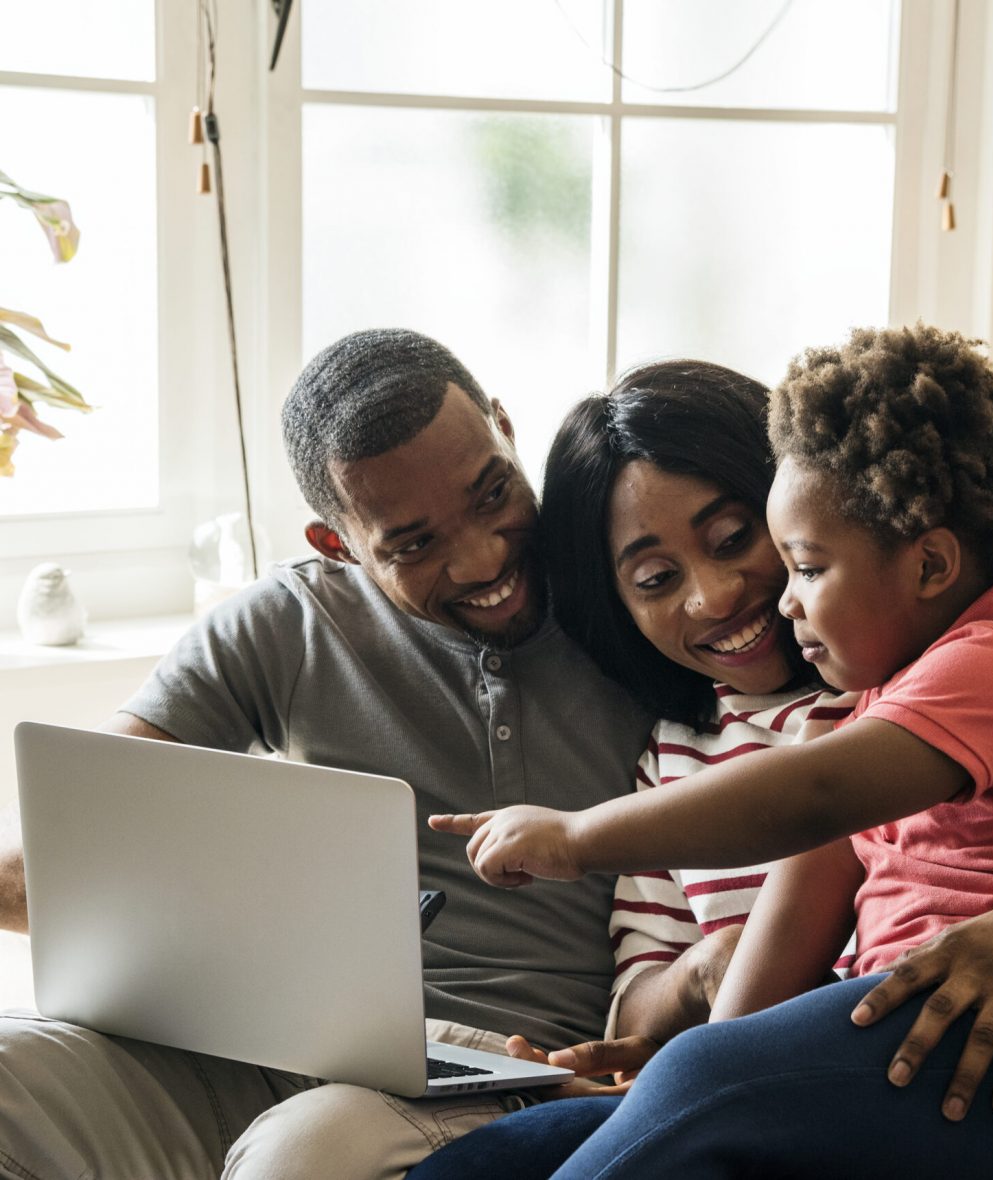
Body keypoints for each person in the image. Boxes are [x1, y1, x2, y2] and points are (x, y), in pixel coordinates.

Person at [424, 326, 993, 1177]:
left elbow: (806, 799)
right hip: (887, 1068)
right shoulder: (839, 718)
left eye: (752, 545)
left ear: (922, 555)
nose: (729, 597)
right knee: (499, 1157)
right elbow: (775, 937)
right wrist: (669, 1082)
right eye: (653, 579)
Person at [0, 328, 655, 1180]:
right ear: (336, 543)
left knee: (301, 1155)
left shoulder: (641, 597)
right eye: (413, 543)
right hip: (249, 1045)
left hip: (495, 1069)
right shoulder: (288, 622)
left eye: (493, 494)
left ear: (503, 425)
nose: (484, 557)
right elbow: (57, 855)